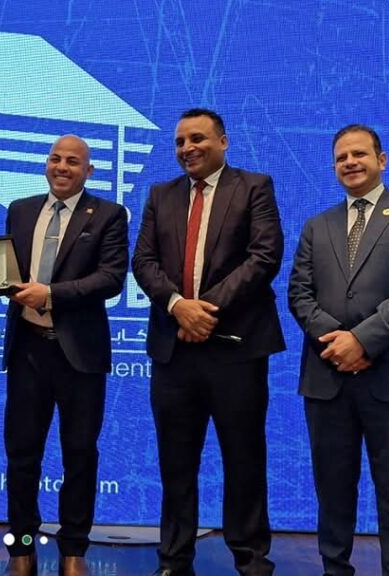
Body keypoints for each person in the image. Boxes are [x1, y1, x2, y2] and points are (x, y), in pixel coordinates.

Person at [132, 108, 284, 576]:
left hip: (236, 349)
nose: (187, 149)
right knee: (175, 464)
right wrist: (179, 306)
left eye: (197, 138)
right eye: (180, 142)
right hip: (174, 351)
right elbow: (143, 261)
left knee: (244, 459)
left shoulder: (254, 187)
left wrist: (204, 311)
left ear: (223, 141)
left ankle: (251, 560)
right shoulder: (161, 195)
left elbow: (264, 257)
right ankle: (174, 560)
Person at [288, 125, 389, 576]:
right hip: (328, 376)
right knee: (332, 491)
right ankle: (334, 570)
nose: (350, 163)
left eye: (359, 154)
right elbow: (299, 294)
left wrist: (362, 341)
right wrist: (338, 342)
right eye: (341, 157)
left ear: (382, 160)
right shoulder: (317, 226)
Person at [0, 135, 128, 576]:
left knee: (80, 453)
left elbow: (111, 278)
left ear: (88, 171)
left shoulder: (109, 214)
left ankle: (74, 549)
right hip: (27, 349)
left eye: (73, 161)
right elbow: (6, 274)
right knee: (21, 455)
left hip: (80, 354)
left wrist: (51, 294)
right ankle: (21, 549)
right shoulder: (20, 210)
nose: (62, 167)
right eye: (55, 158)